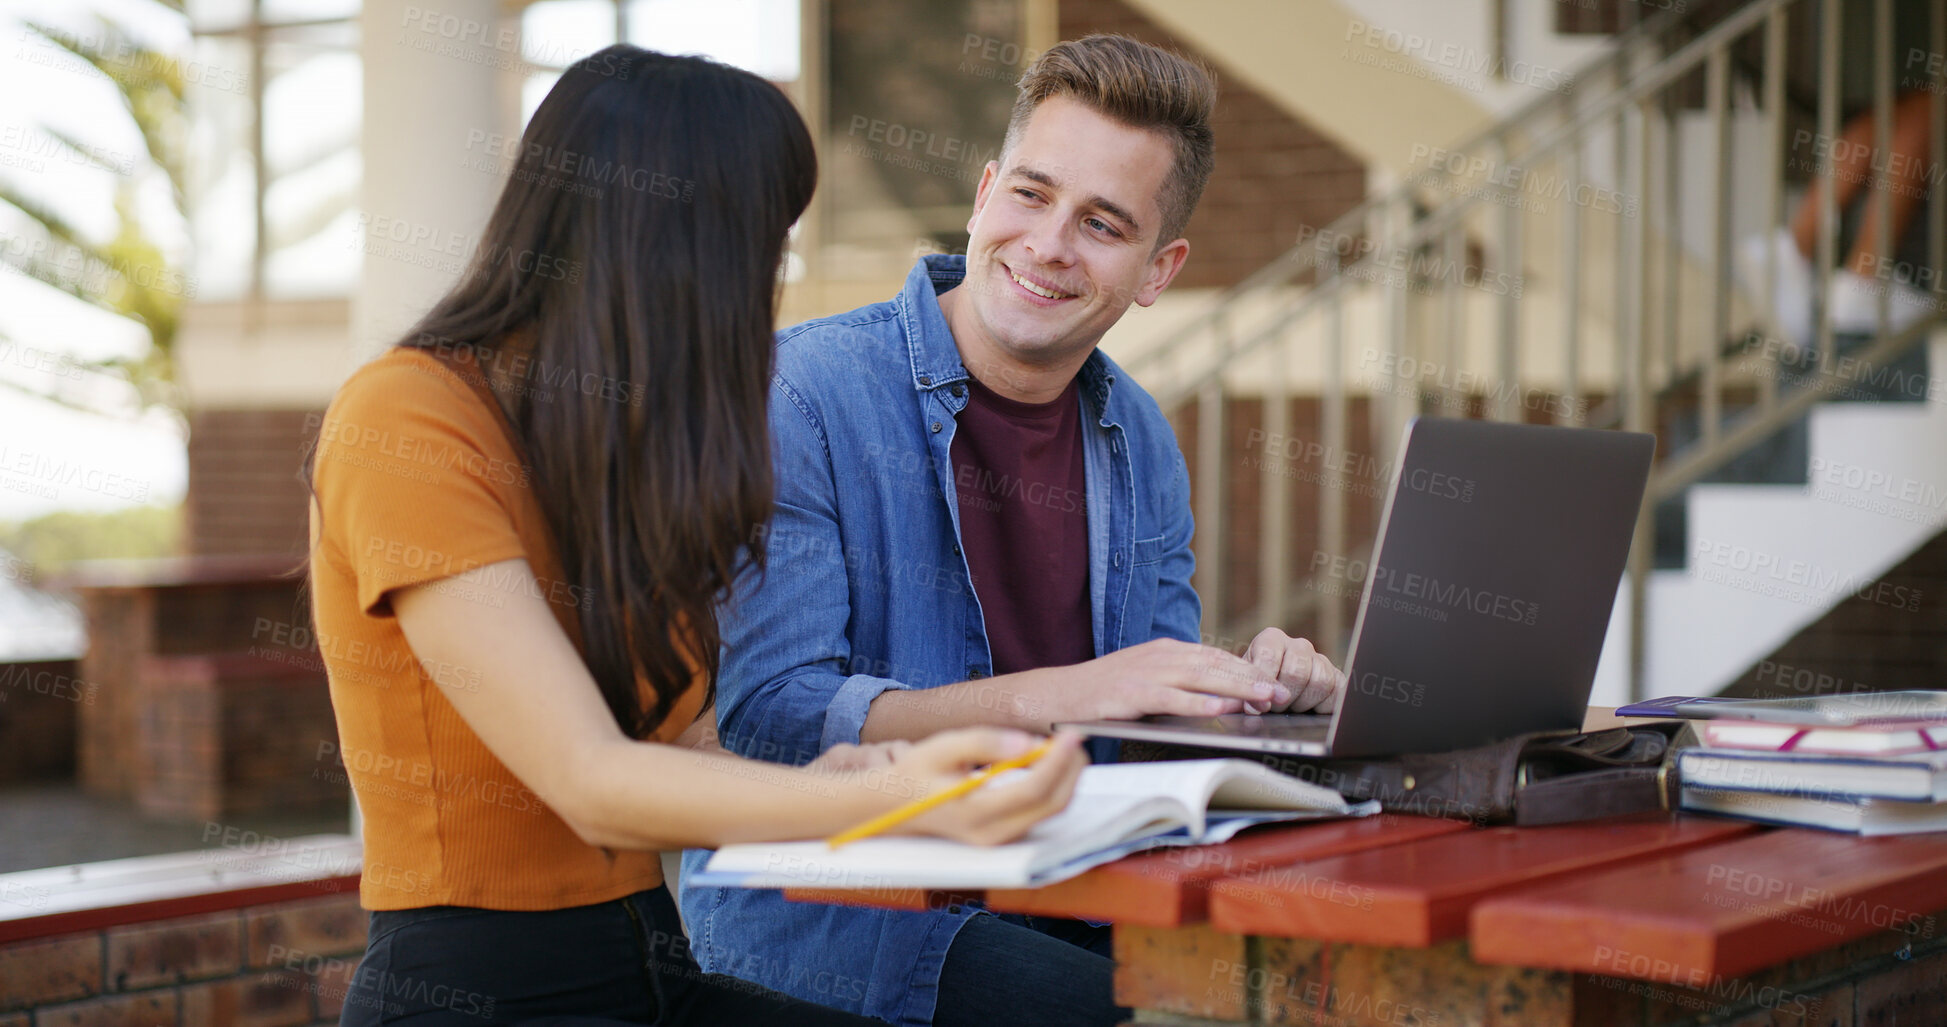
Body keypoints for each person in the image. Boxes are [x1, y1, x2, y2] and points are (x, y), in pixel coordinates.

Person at [307, 45, 1088, 1026]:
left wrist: (848, 779)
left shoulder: (615, 447)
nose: (769, 281)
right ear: (671, 247)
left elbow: (684, 747)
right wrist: (893, 801)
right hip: (477, 990)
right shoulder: (409, 417)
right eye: (763, 243)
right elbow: (589, 777)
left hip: (647, 968)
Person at [679, 34, 1346, 1027]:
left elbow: (1147, 733)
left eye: (1102, 223)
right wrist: (1058, 696)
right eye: (1032, 195)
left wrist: (1263, 698)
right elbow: (770, 712)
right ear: (985, 193)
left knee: (1321, 986)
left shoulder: (1140, 437)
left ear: (1157, 270)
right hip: (846, 908)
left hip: (1070, 885)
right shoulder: (799, 393)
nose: (1048, 245)